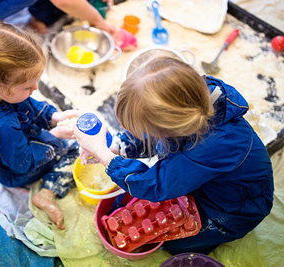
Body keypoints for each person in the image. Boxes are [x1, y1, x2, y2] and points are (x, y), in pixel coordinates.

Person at [74, 56, 274, 254]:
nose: (143, 134)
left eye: (146, 130)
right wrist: (118, 146)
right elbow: (153, 135)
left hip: (234, 210)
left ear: (170, 129)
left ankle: (218, 235)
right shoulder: (189, 104)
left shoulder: (209, 148)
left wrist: (103, 155)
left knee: (172, 247)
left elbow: (156, 185)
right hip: (212, 185)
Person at [0, 21, 81, 230]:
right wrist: (54, 135)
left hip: (5, 138)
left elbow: (25, 103)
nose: (35, 88)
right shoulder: (4, 126)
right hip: (16, 170)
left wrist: (54, 116)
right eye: (28, 86)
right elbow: (22, 162)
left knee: (12, 109)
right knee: (76, 152)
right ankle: (46, 194)